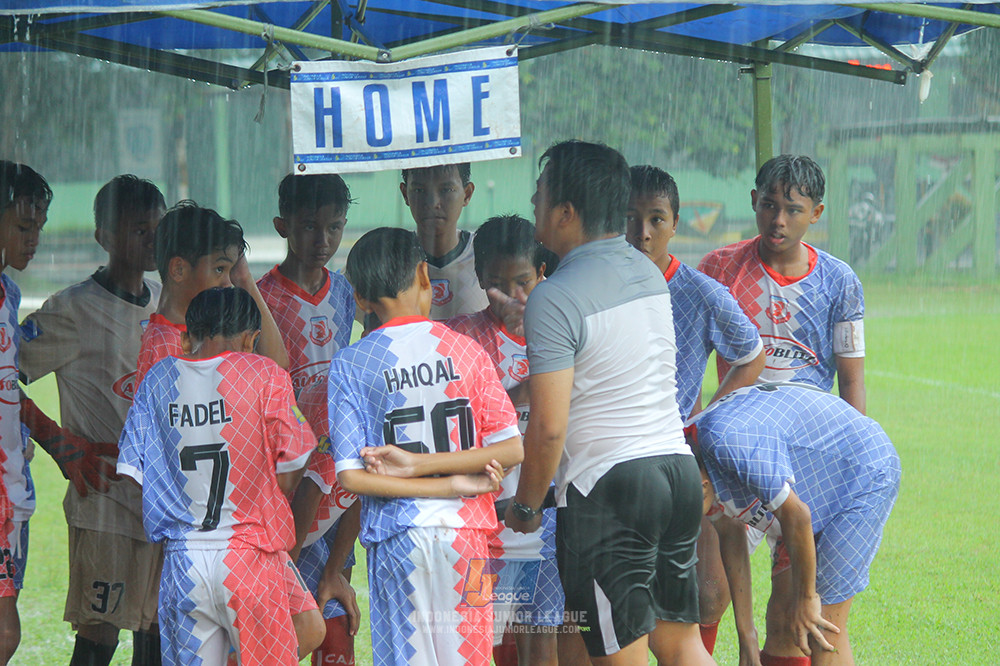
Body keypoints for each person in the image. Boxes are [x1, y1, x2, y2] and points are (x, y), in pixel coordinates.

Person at [504, 141, 714, 666]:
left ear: (566, 213)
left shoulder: (554, 296)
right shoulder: (648, 272)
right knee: (680, 643)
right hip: (676, 476)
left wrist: (527, 508)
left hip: (609, 492)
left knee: (621, 657)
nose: (533, 202)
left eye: (540, 194)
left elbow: (549, 428)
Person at [330, 227, 523, 666]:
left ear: (359, 299)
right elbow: (511, 449)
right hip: (467, 537)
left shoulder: (351, 362)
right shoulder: (466, 349)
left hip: (399, 540)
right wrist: (453, 480)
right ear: (423, 274)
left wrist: (418, 471)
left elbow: (350, 475)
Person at [117, 287, 318, 666]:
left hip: (184, 559)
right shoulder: (265, 373)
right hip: (249, 557)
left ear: (189, 335)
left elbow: (132, 471)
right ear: (251, 338)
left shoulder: (158, 379)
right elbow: (291, 469)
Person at [19, 174, 166, 666]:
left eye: (157, 229)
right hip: (104, 503)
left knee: (158, 634)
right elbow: (3, 376)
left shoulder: (170, 301)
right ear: (104, 237)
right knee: (98, 640)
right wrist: (57, 441)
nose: (151, 240)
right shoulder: (73, 310)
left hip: (162, 505)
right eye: (138, 230)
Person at [626, 164, 764, 654]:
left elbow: (751, 354)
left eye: (656, 219)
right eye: (631, 216)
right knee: (621, 594)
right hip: (613, 454)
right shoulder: (599, 283)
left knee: (698, 594)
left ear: (676, 223)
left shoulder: (698, 291)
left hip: (677, 453)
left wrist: (705, 421)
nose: (642, 232)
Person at [688, 382, 900, 666]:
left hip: (862, 471)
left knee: (821, 627)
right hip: (815, 482)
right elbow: (731, 533)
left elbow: (797, 515)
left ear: (702, 487)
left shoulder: (724, 441)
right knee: (794, 622)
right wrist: (746, 635)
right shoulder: (690, 457)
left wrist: (807, 596)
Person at [446, 214, 562, 666]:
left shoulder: (559, 334)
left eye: (522, 281)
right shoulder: (459, 339)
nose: (509, 295)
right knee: (479, 640)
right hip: (482, 517)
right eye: (495, 282)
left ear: (542, 275)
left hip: (548, 511)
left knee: (543, 633)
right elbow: (452, 425)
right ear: (478, 278)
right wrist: (518, 394)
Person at [697, 155, 866, 414]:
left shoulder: (839, 281)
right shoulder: (719, 269)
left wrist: (853, 442)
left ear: (816, 213)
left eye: (793, 210)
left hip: (810, 424)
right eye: (769, 205)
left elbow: (851, 379)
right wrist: (694, 429)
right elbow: (689, 360)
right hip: (738, 425)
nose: (778, 220)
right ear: (754, 200)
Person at [135, 201, 288, 385]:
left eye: (231, 271)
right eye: (219, 269)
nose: (228, 283)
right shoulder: (165, 346)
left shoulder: (206, 328)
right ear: (179, 269)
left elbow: (277, 366)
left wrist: (244, 278)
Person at [0, 161, 50, 665]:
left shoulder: (10, 295)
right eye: (22, 226)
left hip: (15, 487)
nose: (33, 239)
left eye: (38, 227)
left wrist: (46, 438)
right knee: (4, 633)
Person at [258, 172, 355, 394]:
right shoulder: (261, 298)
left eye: (334, 228)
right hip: (286, 426)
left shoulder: (343, 291)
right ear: (282, 226)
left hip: (336, 424)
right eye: (310, 227)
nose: (323, 241)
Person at [291, 374, 361, 666]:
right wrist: (284, 578)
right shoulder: (338, 405)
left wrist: (333, 571)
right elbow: (308, 493)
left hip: (309, 534)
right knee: (303, 628)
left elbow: (362, 494)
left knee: (337, 620)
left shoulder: (386, 411)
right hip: (279, 536)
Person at [399, 163, 488, 320]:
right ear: (405, 194)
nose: (433, 203)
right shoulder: (389, 258)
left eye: (446, 190)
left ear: (467, 194)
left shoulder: (488, 254)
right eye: (419, 190)